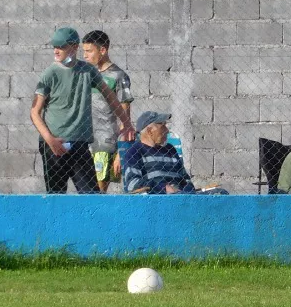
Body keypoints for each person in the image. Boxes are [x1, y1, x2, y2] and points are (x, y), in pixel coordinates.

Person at [31, 27, 133, 194]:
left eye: (61, 46)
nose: (56, 50)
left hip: (80, 145)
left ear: (74, 47)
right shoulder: (50, 74)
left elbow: (111, 97)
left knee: (91, 197)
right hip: (55, 145)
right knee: (56, 198)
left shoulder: (88, 71)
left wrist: (127, 123)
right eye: (54, 46)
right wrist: (49, 140)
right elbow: (34, 112)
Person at [80, 30, 133, 192]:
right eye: (83, 51)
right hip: (82, 144)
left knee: (97, 191)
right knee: (84, 192)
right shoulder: (84, 75)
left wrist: (120, 152)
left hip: (104, 144)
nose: (85, 56)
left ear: (102, 50)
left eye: (89, 51)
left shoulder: (118, 76)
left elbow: (125, 117)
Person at [123, 112, 197, 194]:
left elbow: (185, 179)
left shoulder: (170, 149)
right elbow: (132, 185)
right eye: (163, 126)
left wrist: (188, 192)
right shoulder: (134, 152)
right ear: (150, 131)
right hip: (153, 200)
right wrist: (163, 188)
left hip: (179, 197)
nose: (167, 130)